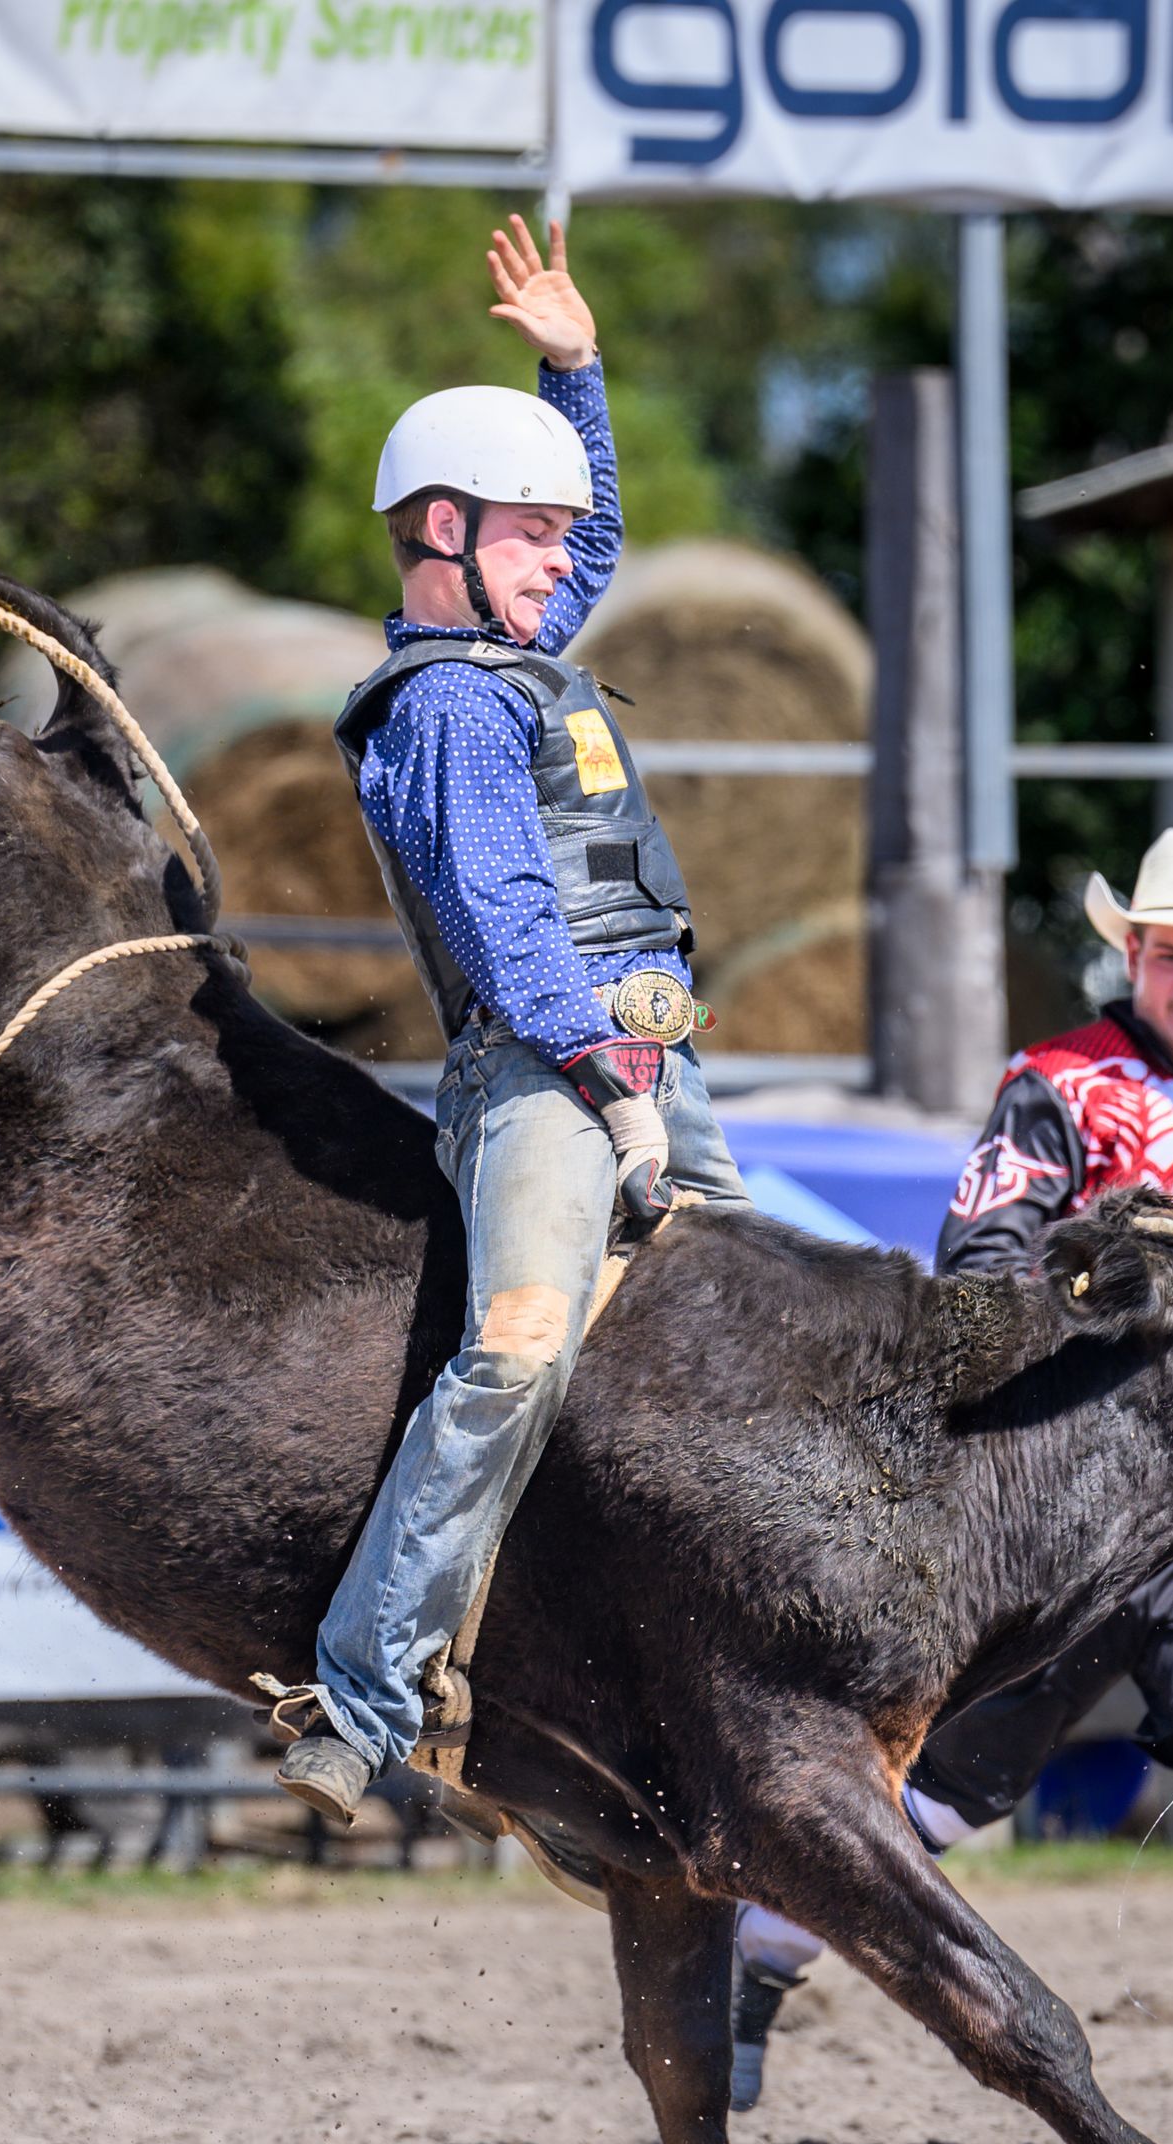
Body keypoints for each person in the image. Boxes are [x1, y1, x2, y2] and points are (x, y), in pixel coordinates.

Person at [730, 827, 1173, 2144]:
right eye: (1172, 954)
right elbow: (979, 1259)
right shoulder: (1056, 1085)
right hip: (1064, 1507)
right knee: (952, 1787)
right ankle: (753, 1955)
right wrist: (1101, 1285)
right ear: (1133, 956)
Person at [262, 217, 749, 1825]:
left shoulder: (510, 651)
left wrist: (576, 372)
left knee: (759, 1323)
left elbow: (588, 548)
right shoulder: (455, 706)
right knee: (520, 1351)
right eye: (532, 535)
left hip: (636, 1060)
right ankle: (359, 1698)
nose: (566, 560)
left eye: (558, 534)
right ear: (445, 532)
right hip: (549, 1071)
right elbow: (505, 921)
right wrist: (615, 1082)